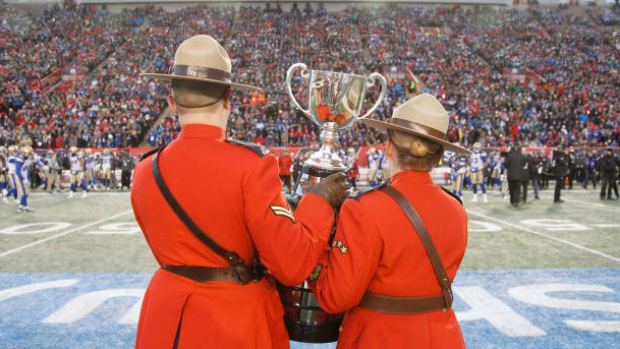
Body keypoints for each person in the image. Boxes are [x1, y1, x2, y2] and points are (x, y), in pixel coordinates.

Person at [134, 35, 349, 349]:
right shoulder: (251, 165)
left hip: (166, 319)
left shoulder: (144, 170)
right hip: (235, 320)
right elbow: (291, 265)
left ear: (171, 101)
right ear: (227, 99)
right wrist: (317, 201)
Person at [310, 93, 470, 349]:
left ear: (389, 147)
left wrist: (317, 257)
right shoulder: (457, 209)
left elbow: (336, 298)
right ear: (438, 156)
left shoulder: (367, 208)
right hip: (442, 337)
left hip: (379, 336)